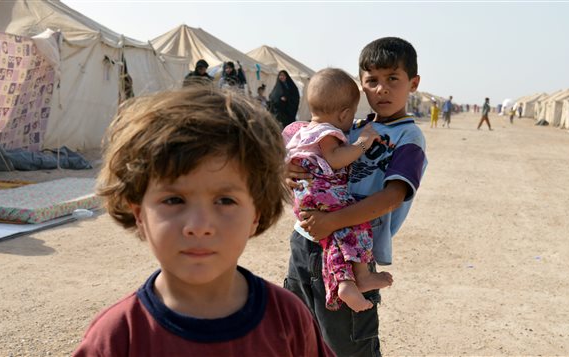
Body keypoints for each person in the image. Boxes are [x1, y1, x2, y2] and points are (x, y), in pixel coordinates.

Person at [73, 86, 335, 357]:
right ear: (139, 214)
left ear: (256, 214)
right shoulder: (117, 338)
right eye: (174, 200)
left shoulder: (288, 319)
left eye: (225, 201)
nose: (199, 225)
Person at [283, 37, 427, 356]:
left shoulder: (408, 138)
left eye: (393, 79)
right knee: (298, 332)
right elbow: (309, 166)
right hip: (306, 242)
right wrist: (290, 175)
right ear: (361, 85)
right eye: (372, 80)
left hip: (352, 255)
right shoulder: (347, 128)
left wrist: (331, 221)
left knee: (346, 344)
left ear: (413, 83)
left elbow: (392, 197)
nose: (382, 89)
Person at [283, 68, 394, 313]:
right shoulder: (327, 132)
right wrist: (362, 143)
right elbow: (335, 159)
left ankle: (344, 282)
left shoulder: (298, 130)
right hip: (324, 193)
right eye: (351, 115)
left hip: (306, 199)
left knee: (334, 237)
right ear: (344, 113)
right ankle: (362, 275)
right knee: (357, 222)